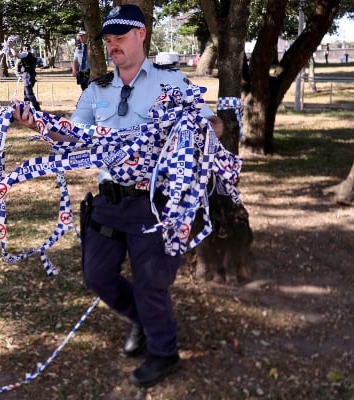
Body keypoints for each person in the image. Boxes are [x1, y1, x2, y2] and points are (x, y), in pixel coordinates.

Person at [14, 4, 224, 389]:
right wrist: (39, 124)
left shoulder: (170, 83)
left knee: (150, 283)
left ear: (141, 34)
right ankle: (141, 322)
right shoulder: (97, 90)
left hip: (155, 203)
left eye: (120, 38)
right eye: (108, 40)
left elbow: (215, 123)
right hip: (109, 203)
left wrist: (198, 130)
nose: (113, 46)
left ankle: (164, 352)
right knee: (97, 276)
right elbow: (71, 134)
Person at [13, 43, 41, 111]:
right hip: (31, 75)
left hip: (28, 75)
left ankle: (37, 109)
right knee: (26, 93)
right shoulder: (31, 55)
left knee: (28, 93)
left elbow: (15, 55)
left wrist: (10, 47)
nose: (24, 50)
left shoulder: (26, 54)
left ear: (25, 49)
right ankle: (27, 109)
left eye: (24, 48)